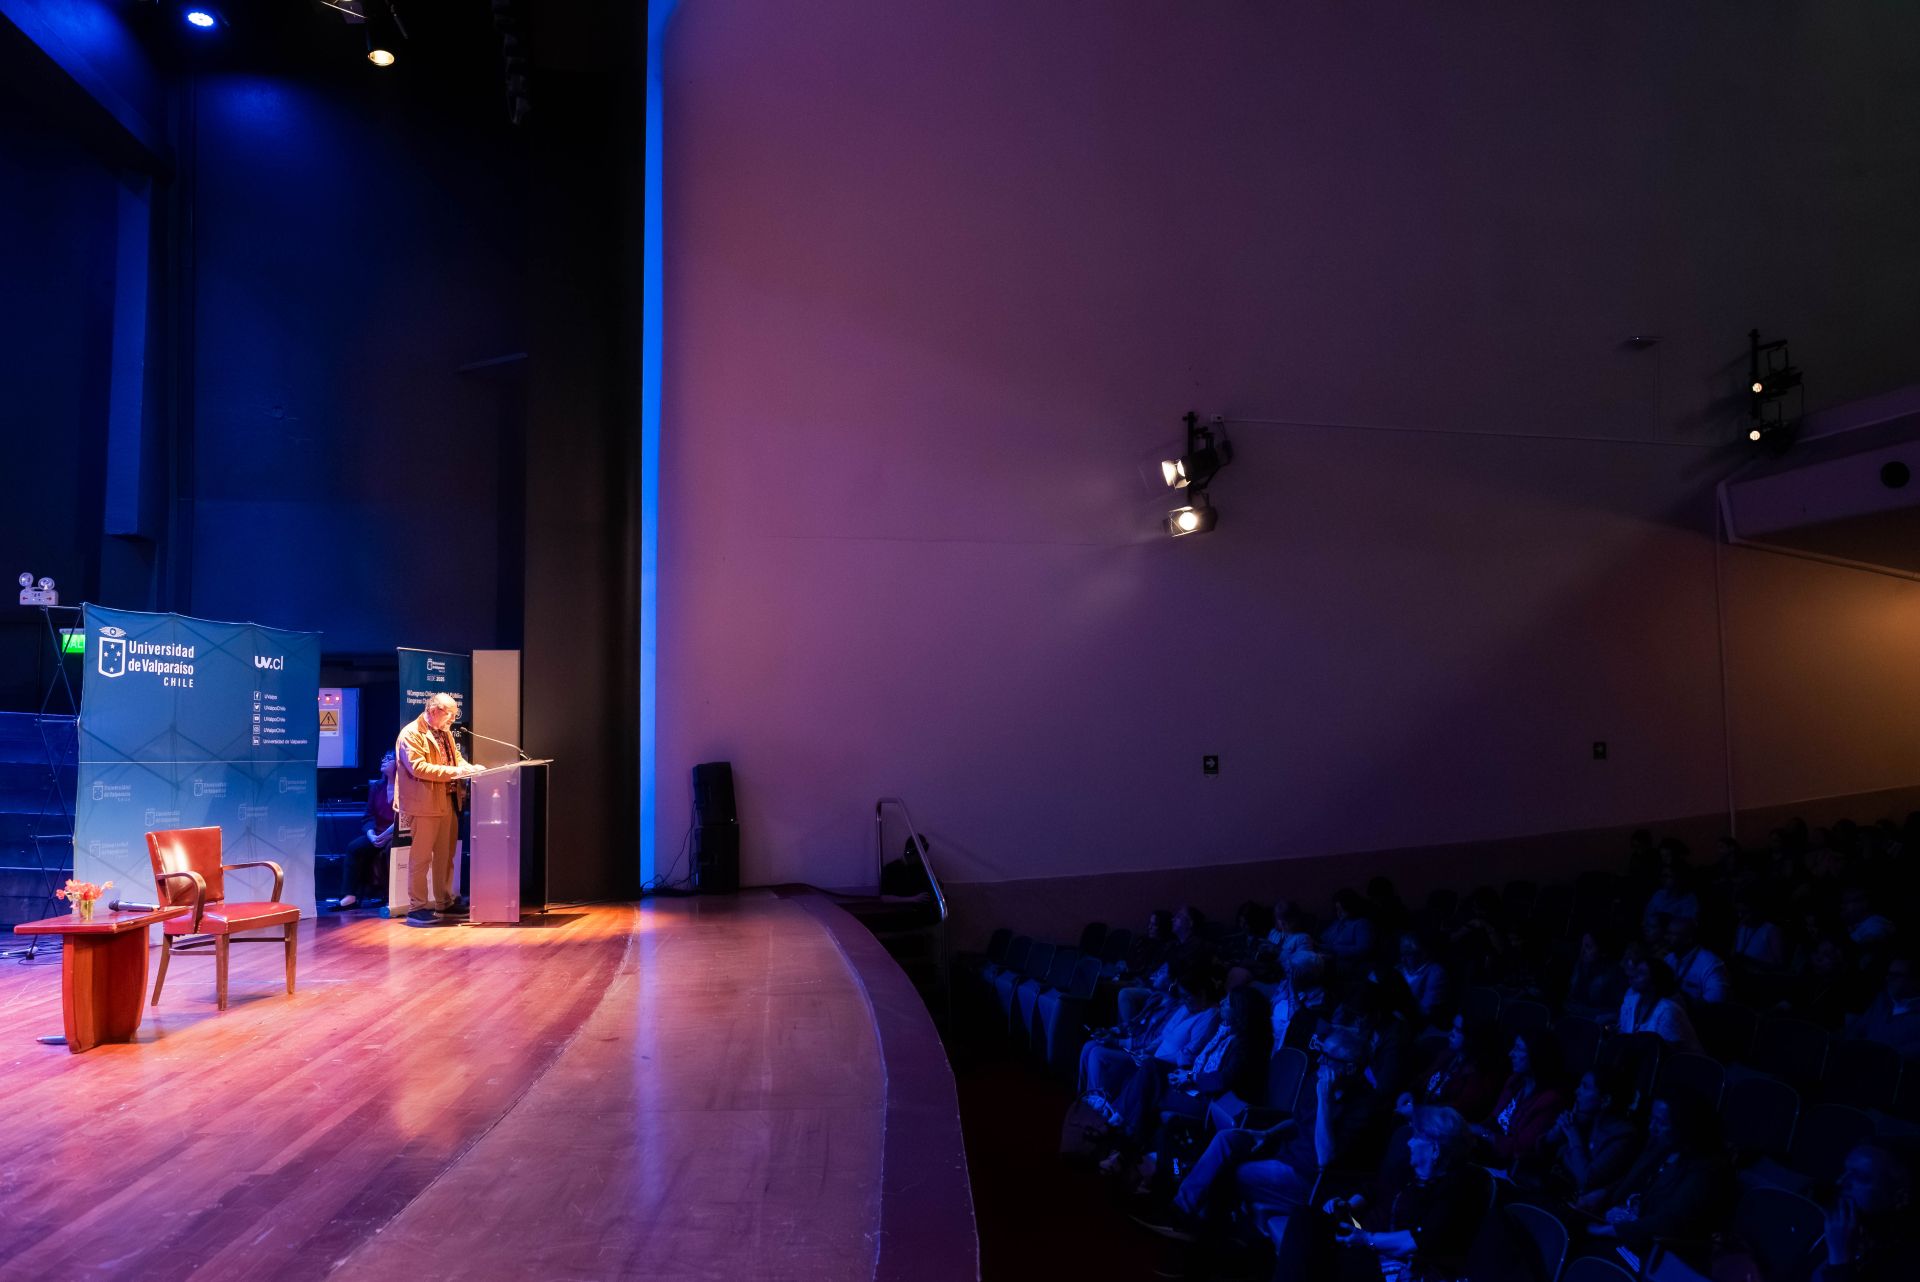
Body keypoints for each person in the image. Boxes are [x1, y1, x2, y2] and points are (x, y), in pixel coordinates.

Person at [1579, 1092, 1732, 1254]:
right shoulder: (1663, 1147)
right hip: (1622, 1227)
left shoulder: (1706, 1170)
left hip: (1650, 1248)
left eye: (1661, 1122)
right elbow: (1633, 1179)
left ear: (1685, 1127)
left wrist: (1608, 1231)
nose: (1652, 1127)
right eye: (1652, 1119)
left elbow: (1670, 1222)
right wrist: (1604, 1192)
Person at [393, 693, 484, 926]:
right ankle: (417, 908)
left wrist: (470, 768)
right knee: (421, 858)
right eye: (450, 714)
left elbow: (456, 760)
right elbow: (418, 768)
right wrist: (457, 772)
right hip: (424, 803)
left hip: (448, 800)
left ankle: (445, 902)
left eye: (455, 714)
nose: (452, 719)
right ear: (434, 711)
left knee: (446, 856)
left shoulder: (445, 733)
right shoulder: (411, 733)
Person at [1531, 1065, 1641, 1200]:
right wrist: (1557, 1132)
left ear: (1605, 1100)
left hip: (1572, 1202)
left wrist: (1573, 1136)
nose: (1577, 1091)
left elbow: (1586, 1179)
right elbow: (1542, 1150)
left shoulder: (1624, 1136)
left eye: (1585, 1087)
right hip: (1550, 1187)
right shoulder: (1586, 1117)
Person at [1813, 1143, 1914, 1281]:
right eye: (1845, 1171)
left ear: (1900, 1197)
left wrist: (1840, 1257)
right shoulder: (1840, 1232)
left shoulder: (1908, 1262)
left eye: (1859, 1177)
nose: (1841, 1182)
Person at [1471, 1031, 1568, 1169]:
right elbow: (1493, 1119)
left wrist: (1482, 1133)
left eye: (1518, 1049)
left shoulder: (1550, 1100)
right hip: (1485, 1152)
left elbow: (1520, 1147)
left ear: (1536, 1056)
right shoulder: (1515, 1082)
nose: (1511, 1054)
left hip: (1508, 1165)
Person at [340, 751, 398, 910]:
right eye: (383, 758)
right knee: (354, 847)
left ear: (399, 763)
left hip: (397, 834)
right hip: (377, 833)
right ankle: (350, 896)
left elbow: (404, 817)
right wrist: (371, 834)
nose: (384, 761)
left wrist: (386, 836)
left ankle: (392, 896)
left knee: (390, 849)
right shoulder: (376, 787)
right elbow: (368, 815)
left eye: (389, 759)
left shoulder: (406, 788)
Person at [1617, 956, 1703, 1052]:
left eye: (1641, 973)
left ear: (1655, 980)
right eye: (1635, 971)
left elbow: (1667, 1053)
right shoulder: (1629, 1002)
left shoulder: (1668, 1011)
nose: (1633, 975)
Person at [1845, 952, 1920, 1060]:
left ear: (1914, 980)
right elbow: (1858, 1029)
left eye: (1896, 975)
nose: (1889, 979)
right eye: (1889, 974)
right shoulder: (1881, 1001)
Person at [1665, 915, 1729, 1006]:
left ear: (1689, 939)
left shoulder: (1711, 963)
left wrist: (1686, 1002)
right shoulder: (1669, 957)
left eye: (1672, 934)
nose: (1666, 938)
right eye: (1667, 933)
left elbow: (1715, 1003)